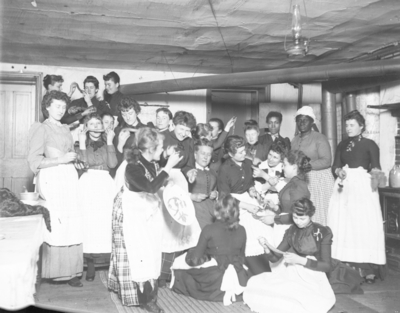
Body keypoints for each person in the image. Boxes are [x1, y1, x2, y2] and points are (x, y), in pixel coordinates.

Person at [108, 127, 182, 313]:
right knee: (139, 254)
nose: (162, 150)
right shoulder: (132, 166)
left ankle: (149, 294)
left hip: (146, 211)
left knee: (151, 252)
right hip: (132, 213)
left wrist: (167, 173)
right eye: (160, 147)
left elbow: (155, 182)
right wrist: (168, 167)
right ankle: (143, 298)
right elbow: (149, 187)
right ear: (150, 149)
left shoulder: (149, 161)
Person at [28, 90, 83, 287]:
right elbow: (33, 161)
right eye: (57, 106)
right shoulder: (41, 128)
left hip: (68, 176)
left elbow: (70, 152)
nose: (61, 110)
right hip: (52, 176)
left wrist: (74, 160)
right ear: (47, 107)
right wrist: (60, 159)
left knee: (71, 221)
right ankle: (54, 272)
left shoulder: (66, 128)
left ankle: (72, 272)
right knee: (57, 222)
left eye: (63, 106)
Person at [243, 198, 336, 313]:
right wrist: (266, 248)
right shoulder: (291, 231)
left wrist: (300, 260)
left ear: (310, 215)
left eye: (302, 218)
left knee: (301, 301)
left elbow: (327, 266)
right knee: (259, 283)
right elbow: (275, 257)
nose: (298, 222)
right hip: (292, 273)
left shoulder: (322, 232)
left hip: (314, 276)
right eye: (295, 217)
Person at [327, 110, 386, 283]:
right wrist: (339, 171)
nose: (348, 128)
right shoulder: (342, 144)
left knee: (362, 226)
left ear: (361, 127)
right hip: (343, 188)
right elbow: (335, 166)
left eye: (352, 125)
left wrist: (375, 194)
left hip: (362, 189)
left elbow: (376, 168)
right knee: (343, 226)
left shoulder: (370, 144)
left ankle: (368, 269)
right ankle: (344, 265)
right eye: (346, 125)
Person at [171, 195, 249, 304]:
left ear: (216, 211)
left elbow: (195, 259)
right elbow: (241, 257)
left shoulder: (209, 229)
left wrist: (191, 254)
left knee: (182, 272)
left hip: (215, 277)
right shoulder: (242, 230)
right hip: (238, 274)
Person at [77, 113, 117, 282]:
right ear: (86, 127)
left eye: (98, 123)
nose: (95, 126)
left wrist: (109, 142)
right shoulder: (81, 144)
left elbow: (113, 164)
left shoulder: (107, 142)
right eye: (91, 124)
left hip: (105, 183)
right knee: (89, 223)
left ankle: (111, 264)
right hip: (88, 183)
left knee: (106, 222)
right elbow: (84, 164)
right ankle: (91, 264)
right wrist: (82, 143)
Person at [291, 106, 334, 226]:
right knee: (303, 213)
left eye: (305, 120)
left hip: (319, 180)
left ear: (312, 122)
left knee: (318, 213)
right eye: (299, 120)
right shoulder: (294, 140)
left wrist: (307, 165)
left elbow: (327, 161)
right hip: (301, 179)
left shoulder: (320, 138)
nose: (302, 122)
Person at [189, 139, 218, 229]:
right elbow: (178, 193)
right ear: (195, 154)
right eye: (203, 153)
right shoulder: (188, 171)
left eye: (209, 154)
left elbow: (216, 188)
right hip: (194, 210)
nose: (205, 157)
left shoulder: (213, 172)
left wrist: (216, 193)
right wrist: (192, 196)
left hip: (211, 211)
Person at [113, 96, 145, 165]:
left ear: (137, 112)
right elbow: (114, 161)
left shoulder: (146, 129)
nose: (127, 117)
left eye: (130, 113)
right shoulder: (118, 131)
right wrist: (120, 145)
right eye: (123, 115)